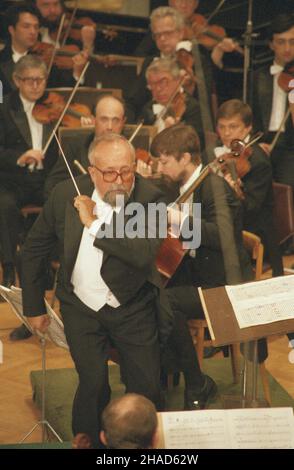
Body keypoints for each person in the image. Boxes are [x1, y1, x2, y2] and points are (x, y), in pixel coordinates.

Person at [21, 133, 173, 448]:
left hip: (133, 305)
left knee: (146, 386)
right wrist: (34, 307)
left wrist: (93, 223)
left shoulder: (152, 199)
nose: (119, 181)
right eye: (109, 173)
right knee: (92, 383)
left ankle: (145, 445)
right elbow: (34, 250)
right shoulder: (65, 193)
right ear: (91, 171)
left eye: (126, 172)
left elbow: (142, 254)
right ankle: (89, 440)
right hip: (81, 306)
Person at [150, 124, 252, 408]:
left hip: (225, 286)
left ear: (185, 158)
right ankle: (161, 373)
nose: (159, 166)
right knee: (148, 290)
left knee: (167, 302)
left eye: (164, 161)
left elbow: (222, 236)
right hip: (197, 276)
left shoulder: (216, 188)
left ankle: (197, 383)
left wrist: (178, 221)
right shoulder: (179, 186)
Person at [0, 55, 58, 294]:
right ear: (17, 80)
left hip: (44, 180)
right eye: (29, 80)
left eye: (40, 80)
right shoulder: (4, 108)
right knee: (4, 205)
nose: (36, 85)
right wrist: (19, 157)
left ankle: (48, 267)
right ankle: (10, 266)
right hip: (12, 180)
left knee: (63, 204)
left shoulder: (54, 108)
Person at [215, 99, 284, 277]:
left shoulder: (258, 161)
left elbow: (251, 208)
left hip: (255, 232)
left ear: (247, 129)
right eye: (222, 127)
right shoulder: (222, 154)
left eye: (233, 127)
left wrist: (234, 190)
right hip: (231, 222)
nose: (226, 133)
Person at [125, 6, 213, 123]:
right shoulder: (150, 62)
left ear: (180, 32)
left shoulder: (197, 61)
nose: (162, 38)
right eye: (157, 35)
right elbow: (133, 101)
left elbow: (205, 103)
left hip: (188, 123)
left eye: (167, 33)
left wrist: (191, 86)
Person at [44, 94, 126, 196]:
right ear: (93, 119)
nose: (110, 127)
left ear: (123, 122)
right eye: (104, 119)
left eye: (115, 120)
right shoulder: (76, 146)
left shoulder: (130, 151)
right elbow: (52, 185)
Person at [0, 3, 88, 95]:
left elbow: (69, 94)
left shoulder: (47, 61)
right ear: (12, 30)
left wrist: (77, 72)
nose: (33, 32)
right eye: (26, 26)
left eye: (36, 27)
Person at [252, 14, 294, 190]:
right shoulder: (259, 75)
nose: (287, 48)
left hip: (290, 148)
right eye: (281, 42)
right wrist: (255, 144)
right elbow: (250, 114)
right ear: (271, 44)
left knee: (287, 187)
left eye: (292, 42)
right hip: (263, 144)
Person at [142, 57, 204, 145]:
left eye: (163, 82)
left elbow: (193, 146)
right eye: (152, 84)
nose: (158, 89)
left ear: (178, 80)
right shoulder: (147, 108)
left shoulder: (193, 108)